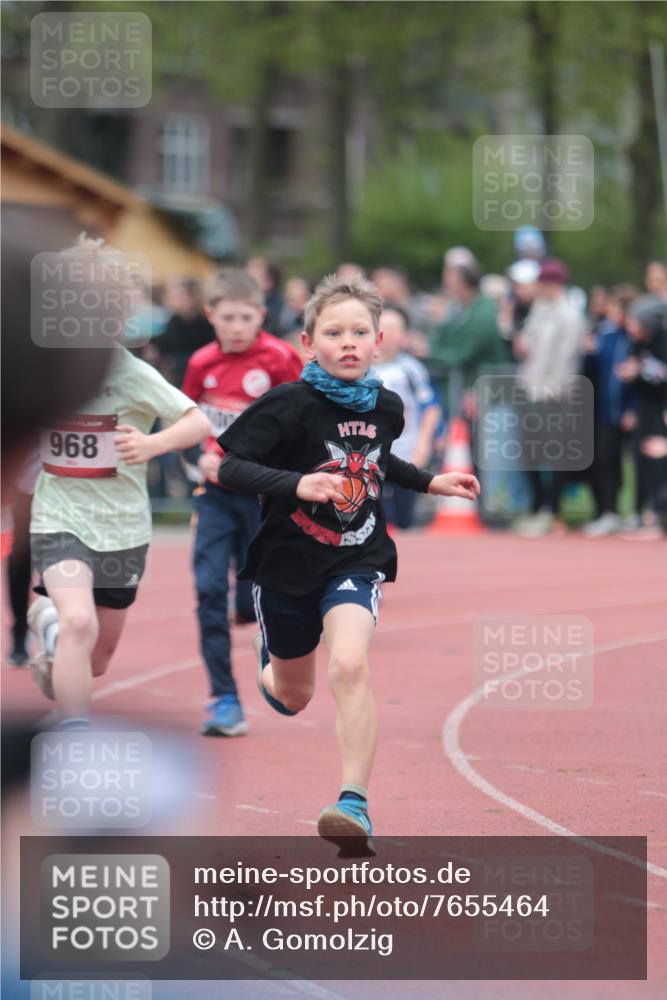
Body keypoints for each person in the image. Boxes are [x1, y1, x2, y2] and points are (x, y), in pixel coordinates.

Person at [216, 273, 479, 848]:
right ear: (309, 343)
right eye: (334, 332)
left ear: (379, 341)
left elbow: (380, 463)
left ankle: (354, 805)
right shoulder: (285, 405)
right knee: (293, 695)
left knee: (350, 665)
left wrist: (433, 481)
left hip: (355, 557)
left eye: (360, 331)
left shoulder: (386, 406)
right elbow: (229, 467)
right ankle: (274, 664)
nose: (349, 342)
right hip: (285, 564)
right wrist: (297, 483)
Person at [27, 236, 211, 731]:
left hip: (123, 528)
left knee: (97, 659)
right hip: (60, 518)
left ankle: (50, 640)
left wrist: (152, 445)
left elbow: (196, 421)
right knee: (79, 622)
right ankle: (74, 730)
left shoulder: (130, 372)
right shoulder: (42, 366)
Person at [182, 269, 303, 737]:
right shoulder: (201, 363)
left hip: (265, 498)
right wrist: (199, 456)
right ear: (211, 315)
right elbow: (185, 420)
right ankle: (223, 697)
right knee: (208, 591)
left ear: (261, 316)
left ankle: (273, 662)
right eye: (227, 317)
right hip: (214, 496)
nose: (236, 326)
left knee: (259, 597)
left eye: (245, 317)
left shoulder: (279, 359)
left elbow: (301, 421)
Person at [513, 259, 586, 536]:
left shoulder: (569, 315)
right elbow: (529, 347)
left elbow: (566, 359)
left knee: (554, 454)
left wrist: (554, 393)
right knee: (530, 452)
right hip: (531, 387)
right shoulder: (539, 310)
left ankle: (554, 511)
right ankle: (538, 506)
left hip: (554, 394)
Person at [374, 307, 441, 529]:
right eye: (385, 328)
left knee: (405, 520)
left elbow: (430, 407)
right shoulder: (361, 368)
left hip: (405, 453)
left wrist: (423, 444)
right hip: (370, 455)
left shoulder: (411, 368)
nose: (390, 334)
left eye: (396, 329)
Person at [582, 285, 639, 536]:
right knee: (605, 461)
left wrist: (633, 408)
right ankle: (608, 512)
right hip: (605, 411)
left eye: (616, 307)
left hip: (628, 411)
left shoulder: (635, 337)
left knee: (638, 462)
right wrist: (589, 352)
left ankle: (639, 512)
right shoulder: (606, 334)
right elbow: (594, 369)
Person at [616, 294, 667, 538]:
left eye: (636, 322)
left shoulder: (663, 342)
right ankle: (640, 511)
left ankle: (658, 515)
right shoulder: (637, 343)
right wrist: (631, 375)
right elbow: (637, 377)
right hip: (644, 407)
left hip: (662, 408)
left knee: (658, 458)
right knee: (639, 456)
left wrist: (643, 371)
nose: (631, 327)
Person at [157, 278, 215, 386]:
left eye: (179, 296)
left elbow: (209, 352)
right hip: (177, 378)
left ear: (192, 297)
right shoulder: (174, 320)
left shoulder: (206, 323)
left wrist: (176, 361)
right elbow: (165, 344)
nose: (173, 300)